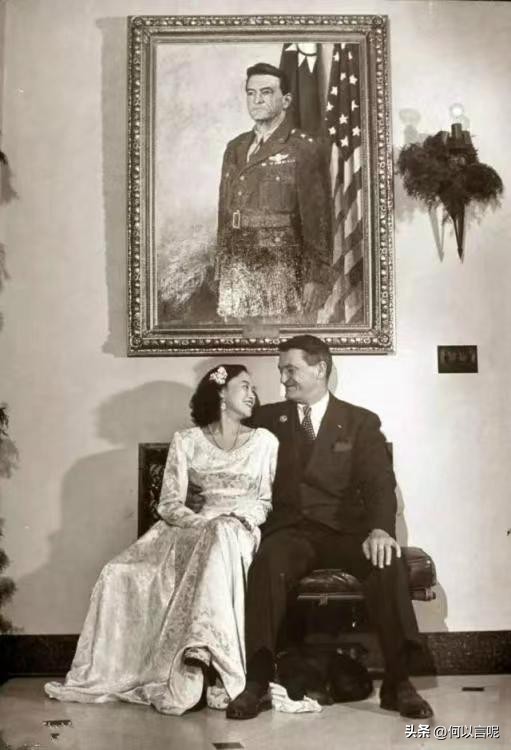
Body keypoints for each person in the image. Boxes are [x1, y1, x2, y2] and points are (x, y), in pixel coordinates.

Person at [44, 365, 278, 715]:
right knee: (117, 572)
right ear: (220, 392)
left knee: (222, 533)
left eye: (253, 388)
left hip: (238, 530)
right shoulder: (187, 441)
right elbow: (169, 503)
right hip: (192, 529)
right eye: (244, 386)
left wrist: (235, 520)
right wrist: (201, 523)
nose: (252, 394)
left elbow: (264, 501)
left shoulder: (265, 442)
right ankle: (177, 659)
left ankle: (204, 651)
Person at [224, 335, 434, 720]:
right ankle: (257, 681)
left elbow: (380, 484)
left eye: (291, 370)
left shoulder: (360, 422)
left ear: (319, 369)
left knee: (386, 562)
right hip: (292, 533)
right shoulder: (268, 419)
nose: (283, 379)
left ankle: (399, 681)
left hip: (346, 534)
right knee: (267, 563)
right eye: (281, 370)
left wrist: (380, 530)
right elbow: (223, 434)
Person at [216, 62, 332, 321]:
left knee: (279, 335)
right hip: (237, 268)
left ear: (286, 100)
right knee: (240, 337)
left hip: (282, 269)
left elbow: (318, 219)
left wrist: (316, 277)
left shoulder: (303, 148)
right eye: (251, 93)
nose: (256, 100)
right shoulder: (235, 148)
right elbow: (224, 213)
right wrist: (220, 269)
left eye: (266, 92)